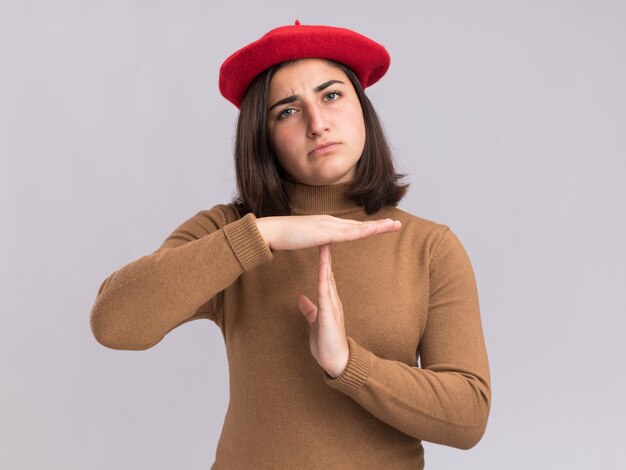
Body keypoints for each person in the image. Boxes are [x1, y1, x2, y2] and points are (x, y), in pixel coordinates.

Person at [90, 20, 491, 469]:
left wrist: (348, 364)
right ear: (262, 139)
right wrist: (261, 234)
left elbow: (467, 418)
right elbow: (114, 324)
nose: (317, 123)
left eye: (331, 95)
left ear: (362, 108)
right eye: (287, 110)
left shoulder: (429, 247)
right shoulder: (229, 232)